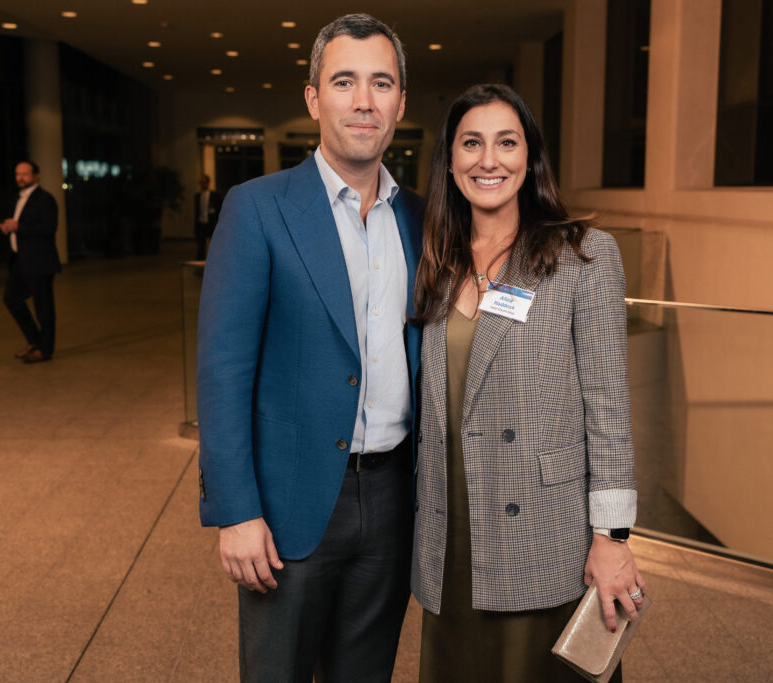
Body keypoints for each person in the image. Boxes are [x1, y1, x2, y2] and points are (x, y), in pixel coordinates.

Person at [196, 14, 423, 682]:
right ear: (313, 97)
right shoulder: (257, 207)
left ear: (400, 103)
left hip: (391, 501)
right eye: (344, 80)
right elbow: (223, 371)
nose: (363, 100)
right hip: (290, 501)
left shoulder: (422, 217)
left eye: (381, 83)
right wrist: (235, 510)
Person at [411, 84, 646, 682]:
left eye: (506, 142)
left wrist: (612, 537)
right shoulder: (436, 260)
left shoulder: (583, 256)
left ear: (530, 157)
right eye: (471, 143)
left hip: (542, 530)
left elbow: (609, 409)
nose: (488, 160)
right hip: (452, 531)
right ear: (450, 160)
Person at [0, 160, 60, 364]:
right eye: (17, 174)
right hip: (20, 260)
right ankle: (35, 340)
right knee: (11, 299)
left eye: (25, 174)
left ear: (36, 176)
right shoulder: (17, 198)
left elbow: (48, 228)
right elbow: (19, 224)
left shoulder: (45, 199)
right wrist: (8, 227)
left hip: (39, 261)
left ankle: (45, 350)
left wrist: (18, 227)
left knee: (43, 307)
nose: (20, 178)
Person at [194, 174, 223, 261]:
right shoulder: (197, 196)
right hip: (201, 223)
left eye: (204, 182)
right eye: (200, 183)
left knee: (214, 245)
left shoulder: (215, 195)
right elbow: (196, 212)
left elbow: (219, 209)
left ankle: (215, 262)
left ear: (208, 183)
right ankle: (200, 264)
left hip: (211, 223)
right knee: (200, 247)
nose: (202, 185)